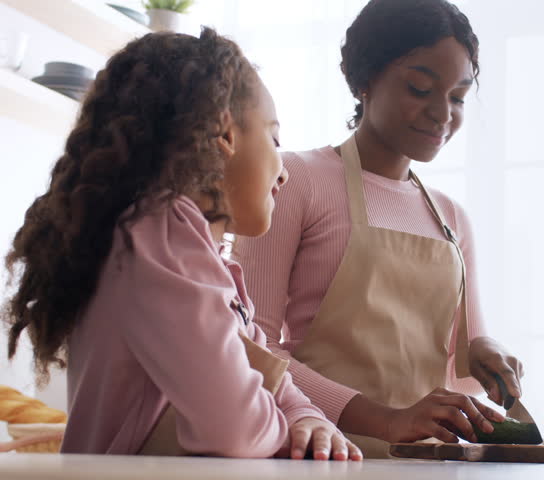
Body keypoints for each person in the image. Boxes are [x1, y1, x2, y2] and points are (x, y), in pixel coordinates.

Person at [2, 28, 361, 461]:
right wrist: (289, 426)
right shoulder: (161, 229)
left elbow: (279, 389)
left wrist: (309, 419)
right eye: (274, 138)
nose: (283, 171)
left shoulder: (196, 261)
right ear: (225, 134)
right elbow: (236, 429)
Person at [235, 0, 523, 457]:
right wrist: (386, 420)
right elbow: (252, 347)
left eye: (457, 97)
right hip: (318, 452)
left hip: (426, 460)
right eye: (420, 87)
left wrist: (483, 352)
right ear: (364, 79)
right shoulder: (294, 180)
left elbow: (459, 370)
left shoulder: (451, 218)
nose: (442, 114)